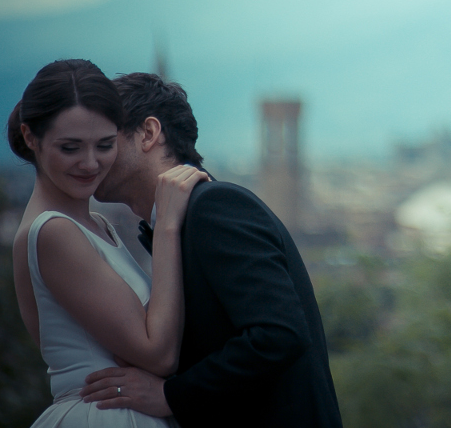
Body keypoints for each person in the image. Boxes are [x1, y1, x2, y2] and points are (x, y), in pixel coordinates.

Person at [81, 73, 343, 428]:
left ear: (148, 134)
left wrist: (171, 395)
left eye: (104, 142)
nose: (89, 160)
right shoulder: (174, 225)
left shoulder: (214, 206)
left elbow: (279, 334)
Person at [9, 59, 207, 427]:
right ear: (31, 136)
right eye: (70, 148)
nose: (90, 163)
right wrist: (165, 225)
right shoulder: (53, 231)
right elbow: (158, 355)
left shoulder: (94, 225)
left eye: (104, 145)